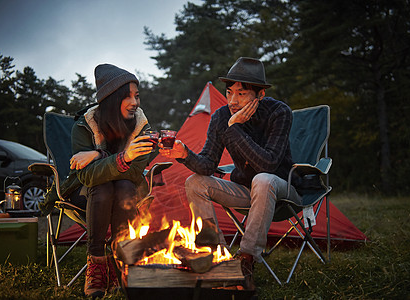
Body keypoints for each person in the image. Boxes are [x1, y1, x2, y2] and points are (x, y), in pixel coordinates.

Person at [159, 57, 301, 290]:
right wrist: (184, 153)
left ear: (260, 94)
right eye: (229, 93)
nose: (233, 101)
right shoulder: (221, 116)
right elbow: (207, 165)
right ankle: (215, 256)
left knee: (263, 179)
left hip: (282, 190)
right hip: (245, 190)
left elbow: (269, 164)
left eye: (242, 94)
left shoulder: (279, 112)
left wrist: (233, 128)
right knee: (195, 182)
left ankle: (246, 260)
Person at [63, 64, 154, 297]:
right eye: (128, 97)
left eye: (137, 96)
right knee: (102, 186)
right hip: (87, 194)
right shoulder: (84, 125)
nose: (136, 102)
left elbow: (134, 174)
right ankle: (96, 262)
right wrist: (120, 158)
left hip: (126, 192)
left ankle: (119, 259)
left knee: (123, 185)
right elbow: (86, 176)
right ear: (112, 99)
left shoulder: (141, 127)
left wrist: (98, 155)